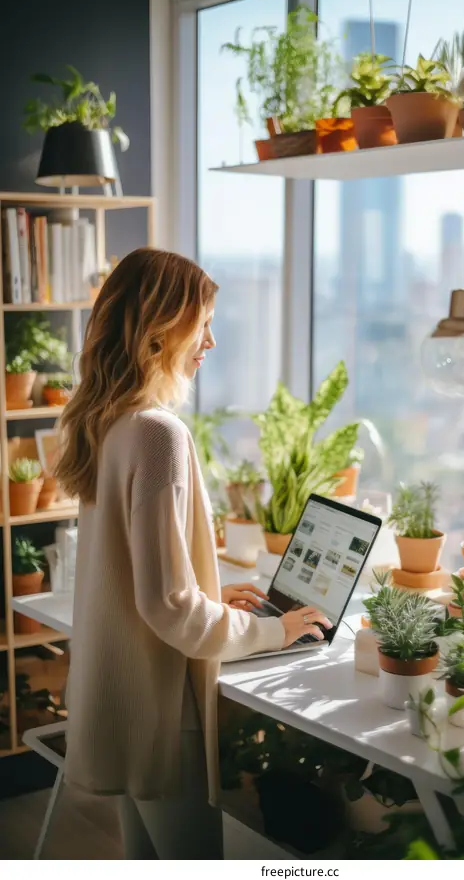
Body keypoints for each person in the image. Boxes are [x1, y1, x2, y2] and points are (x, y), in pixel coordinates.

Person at [55, 248, 331, 859]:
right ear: (160, 328)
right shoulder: (158, 434)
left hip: (117, 698)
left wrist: (212, 596)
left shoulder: (107, 421)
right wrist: (272, 632)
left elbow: (134, 577)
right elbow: (169, 606)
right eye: (202, 322)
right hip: (160, 711)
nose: (210, 341)